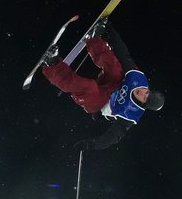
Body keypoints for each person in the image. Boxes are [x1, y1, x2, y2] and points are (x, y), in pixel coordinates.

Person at [40, 20, 165, 150]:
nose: (142, 92)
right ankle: (95, 40)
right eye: (147, 92)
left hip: (100, 102)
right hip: (111, 84)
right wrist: (110, 31)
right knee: (117, 68)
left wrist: (91, 144)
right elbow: (123, 54)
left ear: (142, 105)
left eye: (144, 98)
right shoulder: (139, 79)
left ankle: (53, 64)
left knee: (89, 87)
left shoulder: (130, 114)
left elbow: (112, 137)